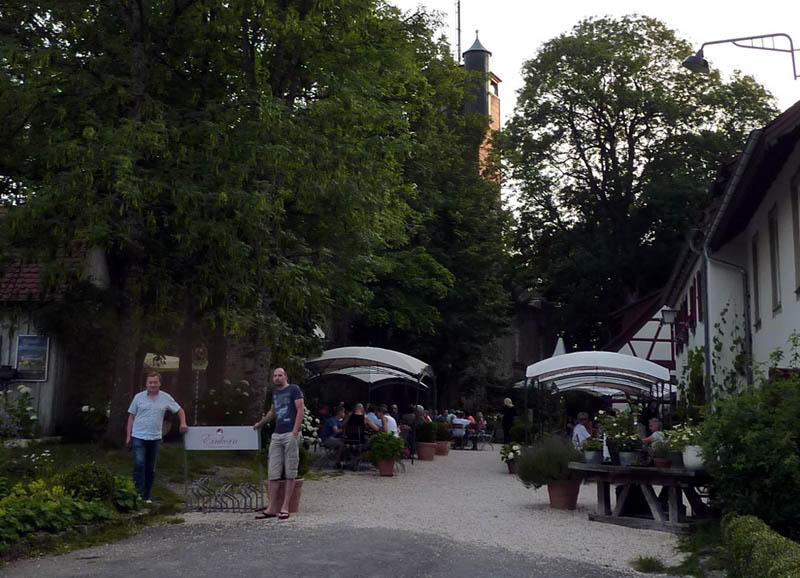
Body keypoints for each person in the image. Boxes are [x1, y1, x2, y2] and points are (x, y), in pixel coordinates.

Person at [126, 371, 188, 504]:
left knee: (150, 467)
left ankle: (147, 495)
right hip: (138, 435)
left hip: (154, 437)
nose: (152, 385)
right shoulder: (138, 397)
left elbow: (180, 410)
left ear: (159, 383)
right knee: (139, 463)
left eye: (155, 382)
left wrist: (183, 423)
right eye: (150, 382)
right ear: (146, 384)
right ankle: (138, 493)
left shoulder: (166, 397)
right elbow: (131, 417)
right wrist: (128, 435)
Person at [253, 368, 304, 520]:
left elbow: (300, 409)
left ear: (285, 376)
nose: (277, 378)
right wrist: (260, 424)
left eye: (280, 375)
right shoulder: (275, 393)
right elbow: (272, 412)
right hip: (277, 434)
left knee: (290, 471)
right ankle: (271, 507)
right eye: (275, 376)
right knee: (273, 472)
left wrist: (295, 432)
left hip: (290, 434)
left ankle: (285, 507)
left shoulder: (294, 389)